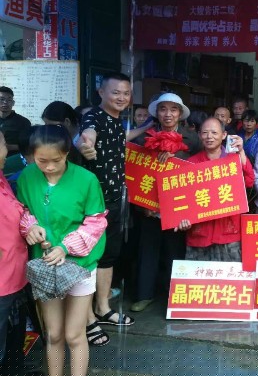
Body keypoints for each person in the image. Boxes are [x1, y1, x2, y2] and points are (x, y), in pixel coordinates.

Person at [18, 125, 108, 375]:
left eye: (56, 160)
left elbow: (96, 222)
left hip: (80, 264)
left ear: (67, 153)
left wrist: (66, 246)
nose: (48, 167)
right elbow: (22, 211)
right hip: (45, 264)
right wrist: (30, 227)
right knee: (54, 333)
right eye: (41, 161)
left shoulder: (86, 180)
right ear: (32, 156)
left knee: (74, 334)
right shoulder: (27, 177)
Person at [76, 73, 135, 345]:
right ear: (101, 92)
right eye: (115, 92)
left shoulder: (117, 121)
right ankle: (86, 319)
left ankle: (102, 308)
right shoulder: (94, 117)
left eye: (126, 93)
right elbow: (86, 136)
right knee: (89, 258)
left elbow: (123, 138)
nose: (121, 97)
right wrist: (84, 145)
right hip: (93, 205)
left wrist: (148, 126)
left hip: (114, 200)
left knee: (109, 255)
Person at [130, 93, 200, 312]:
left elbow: (200, 170)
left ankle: (176, 298)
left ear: (180, 113)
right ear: (157, 113)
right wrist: (142, 205)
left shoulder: (192, 139)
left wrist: (176, 158)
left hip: (178, 207)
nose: (168, 114)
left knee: (175, 252)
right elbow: (135, 173)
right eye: (163, 109)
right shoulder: (143, 138)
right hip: (149, 206)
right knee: (147, 251)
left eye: (173, 109)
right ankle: (144, 295)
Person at [184, 117, 255, 261]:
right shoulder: (191, 163)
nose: (209, 136)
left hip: (228, 233)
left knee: (230, 275)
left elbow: (249, 182)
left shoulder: (233, 160)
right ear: (199, 135)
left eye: (214, 133)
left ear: (224, 135)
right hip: (200, 235)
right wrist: (183, 218)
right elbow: (184, 199)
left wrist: (241, 152)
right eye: (205, 133)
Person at [0, 131, 33, 376]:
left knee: (13, 332)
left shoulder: (3, 178)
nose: (7, 148)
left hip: (15, 274)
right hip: (2, 280)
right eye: (3, 143)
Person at [42, 101, 84, 165]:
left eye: (53, 126)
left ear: (67, 122)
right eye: (46, 126)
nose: (49, 130)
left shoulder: (85, 140)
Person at [0, 87, 31, 156]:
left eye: (9, 100)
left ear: (13, 103)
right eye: (1, 99)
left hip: (13, 158)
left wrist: (8, 147)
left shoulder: (24, 122)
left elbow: (28, 145)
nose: (5, 102)